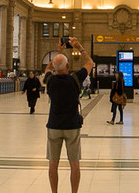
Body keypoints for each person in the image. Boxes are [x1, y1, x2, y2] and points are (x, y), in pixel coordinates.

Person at [44, 37, 94, 193]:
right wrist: (79, 47)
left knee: (53, 164)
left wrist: (59, 51)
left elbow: (47, 69)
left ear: (55, 68)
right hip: (72, 126)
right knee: (74, 164)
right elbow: (90, 63)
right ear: (68, 66)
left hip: (54, 126)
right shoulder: (75, 79)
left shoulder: (50, 80)